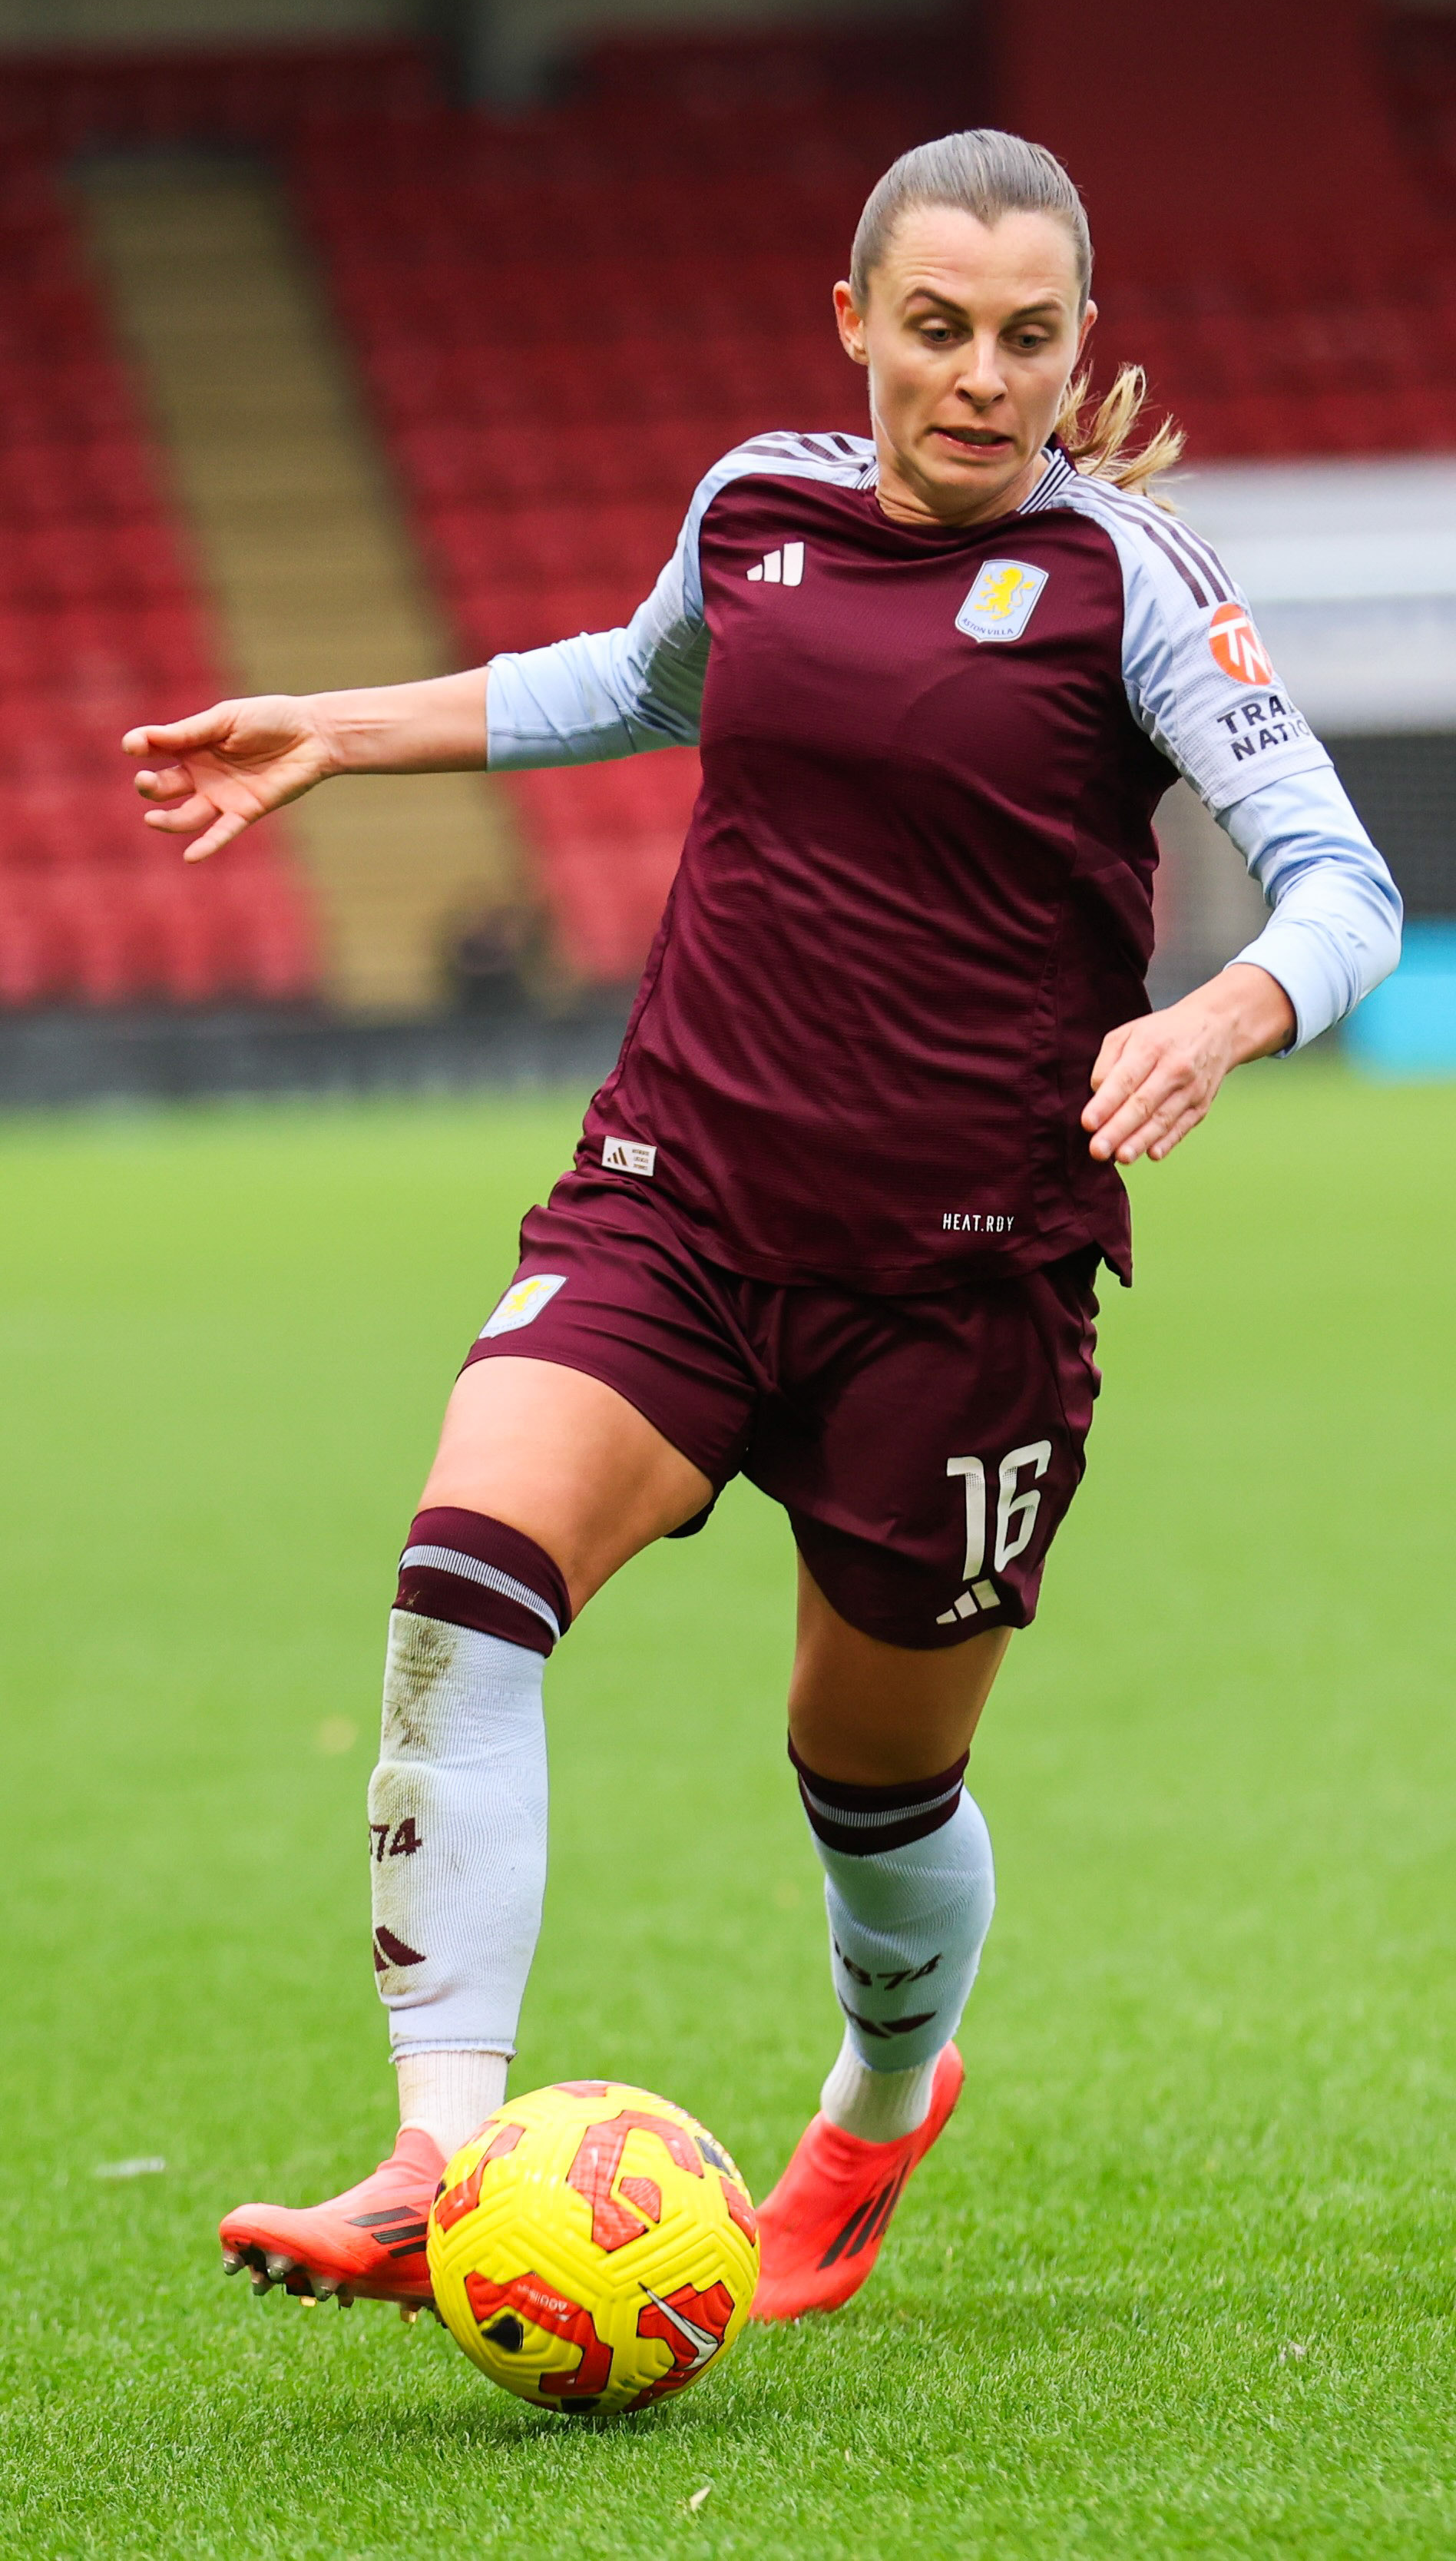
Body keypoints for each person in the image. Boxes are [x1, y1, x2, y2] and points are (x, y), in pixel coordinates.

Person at [126, 130, 1400, 2328]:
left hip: (965, 1284)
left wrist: (1219, 1015)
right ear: (854, 323)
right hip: (681, 1203)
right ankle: (435, 2153)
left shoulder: (1129, 582)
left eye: (1026, 338)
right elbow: (635, 681)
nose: (981, 377)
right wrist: (338, 726)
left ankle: (879, 2107)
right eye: (938, 329)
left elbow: (1344, 886)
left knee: (870, 1786)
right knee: (462, 1585)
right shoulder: (755, 509)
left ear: (1078, 344)